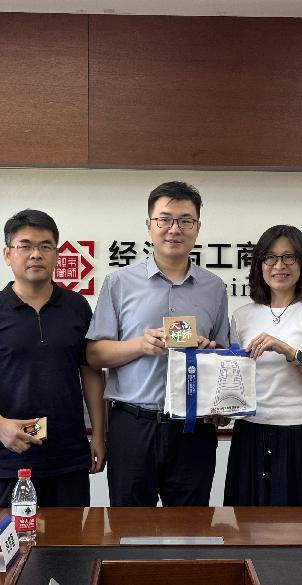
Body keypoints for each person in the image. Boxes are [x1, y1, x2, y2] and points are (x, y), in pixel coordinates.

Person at [86, 181, 229, 506]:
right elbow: (94, 355)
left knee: (191, 526)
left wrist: (209, 353)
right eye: (165, 219)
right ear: (149, 224)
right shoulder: (119, 282)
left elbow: (222, 357)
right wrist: (140, 345)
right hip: (133, 425)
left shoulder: (214, 287)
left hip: (193, 429)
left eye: (185, 221)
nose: (174, 229)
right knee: (128, 526)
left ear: (198, 227)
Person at [0, 209, 106, 507]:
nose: (36, 254)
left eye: (45, 246)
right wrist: (0, 426)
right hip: (10, 458)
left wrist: (99, 435)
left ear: (56, 254)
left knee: (72, 537)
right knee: (11, 537)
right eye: (25, 246)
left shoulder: (77, 307)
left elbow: (90, 372)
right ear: (8, 254)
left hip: (69, 458)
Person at [223, 225, 302, 506]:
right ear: (259, 264)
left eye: (289, 257)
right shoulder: (242, 316)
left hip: (300, 432)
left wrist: (288, 351)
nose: (279, 266)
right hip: (250, 432)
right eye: (270, 257)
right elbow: (234, 379)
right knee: (247, 521)